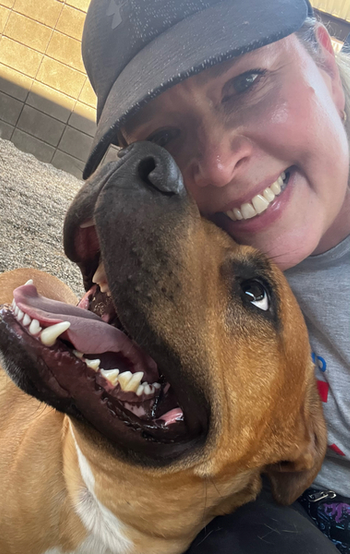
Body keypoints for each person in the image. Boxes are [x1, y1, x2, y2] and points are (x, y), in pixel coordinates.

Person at [80, 0, 350, 552]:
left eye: (246, 82)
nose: (221, 165)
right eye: (167, 134)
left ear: (325, 59)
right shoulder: (185, 237)